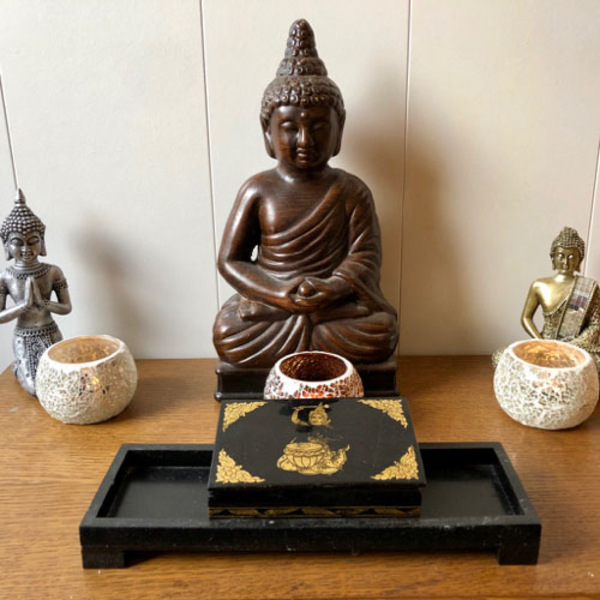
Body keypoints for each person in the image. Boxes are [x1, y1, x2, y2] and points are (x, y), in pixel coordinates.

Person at [213, 19, 398, 368]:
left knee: (382, 330)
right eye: (289, 127)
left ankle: (309, 331)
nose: (304, 140)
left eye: (318, 127)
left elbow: (365, 257)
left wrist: (333, 287)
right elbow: (230, 261)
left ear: (339, 129)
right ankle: (309, 336)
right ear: (267, 132)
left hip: (332, 306)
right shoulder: (257, 189)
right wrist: (278, 292)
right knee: (227, 331)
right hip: (274, 306)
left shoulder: (351, 190)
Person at [493, 226, 600, 371]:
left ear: (579, 260)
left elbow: (596, 325)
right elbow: (526, 317)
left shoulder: (589, 287)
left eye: (571, 257)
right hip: (545, 344)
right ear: (553, 258)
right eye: (561, 256)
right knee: (501, 356)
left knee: (595, 364)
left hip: (575, 348)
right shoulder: (539, 285)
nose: (566, 262)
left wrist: (572, 346)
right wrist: (541, 342)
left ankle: (546, 377)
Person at [0, 189, 72, 395]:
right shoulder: (6, 276)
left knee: (65, 382)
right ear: (6, 245)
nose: (26, 249)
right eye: (17, 242)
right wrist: (23, 306)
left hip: (50, 332)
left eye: (32, 241)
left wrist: (44, 304)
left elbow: (67, 307)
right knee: (36, 389)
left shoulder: (53, 272)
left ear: (42, 241)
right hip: (24, 336)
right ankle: (19, 368)